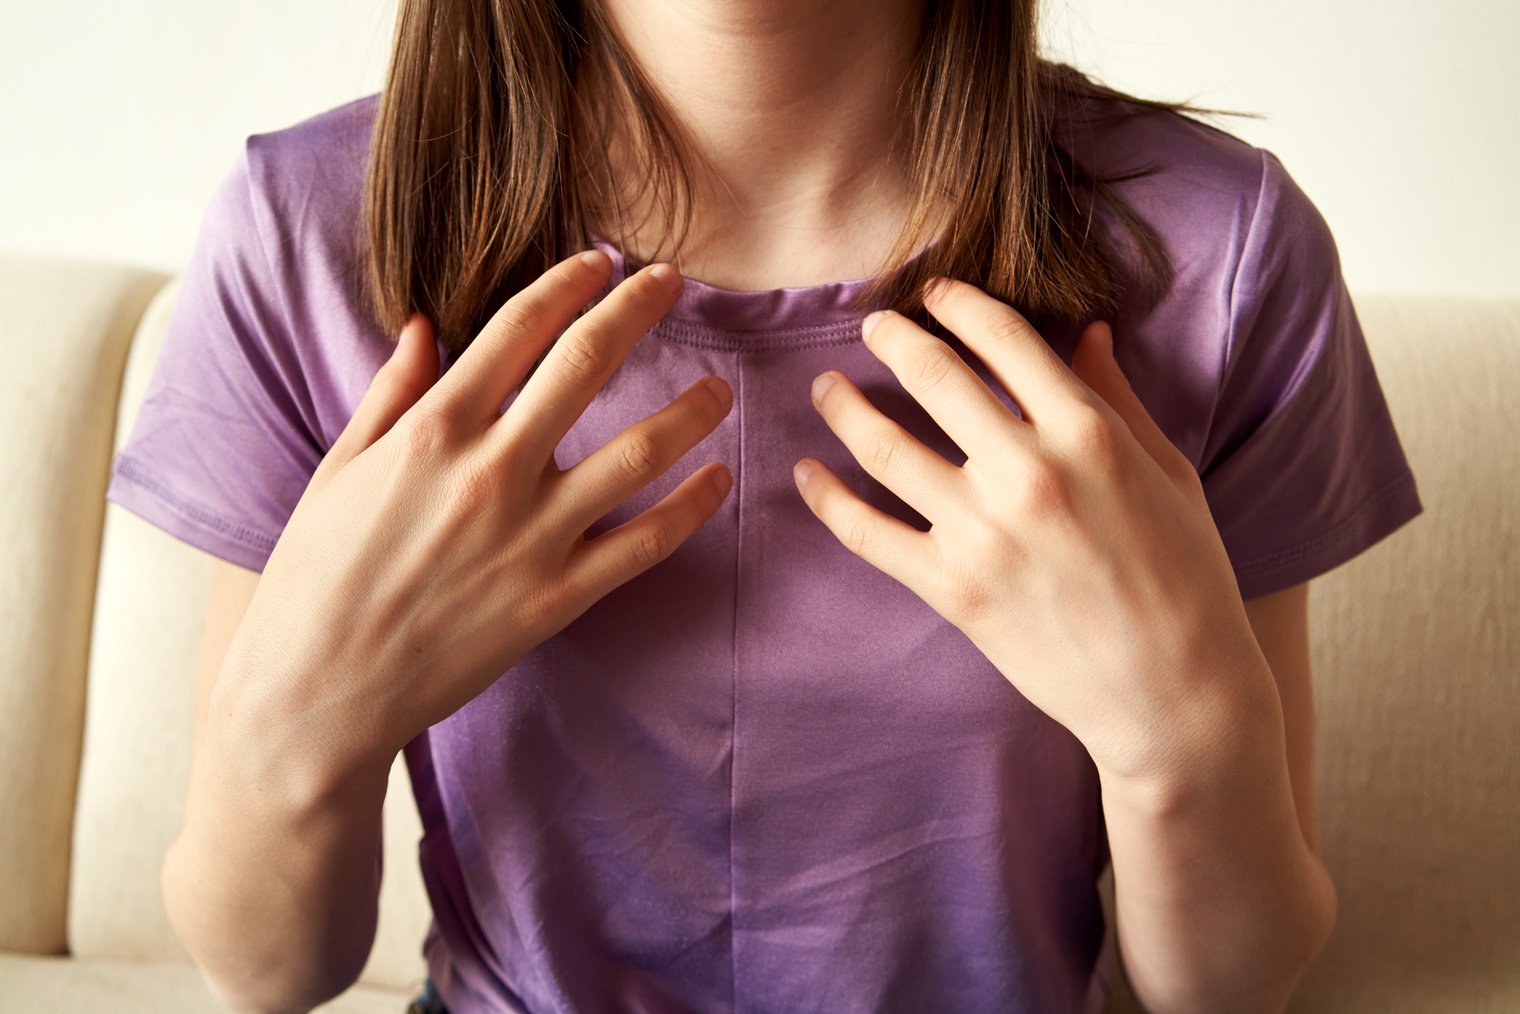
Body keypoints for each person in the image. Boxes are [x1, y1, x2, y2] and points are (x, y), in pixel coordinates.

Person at [105, 1, 1425, 1012]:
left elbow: (1231, 983)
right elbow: (269, 966)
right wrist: (300, 722)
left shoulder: (1222, 254)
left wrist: (1182, 741)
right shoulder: (312, 237)